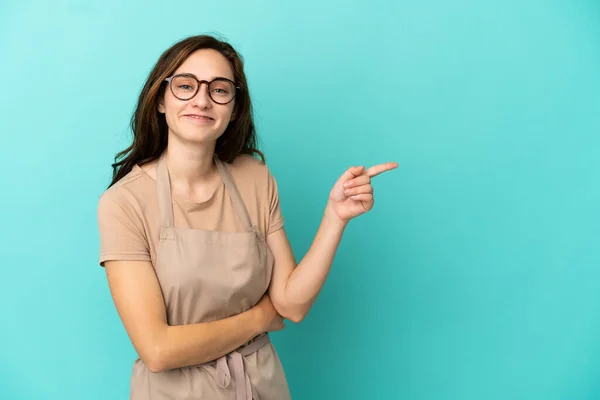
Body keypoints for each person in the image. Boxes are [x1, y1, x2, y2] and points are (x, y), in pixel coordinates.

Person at [97, 34, 397, 400]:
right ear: (161, 99)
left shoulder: (254, 178)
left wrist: (335, 217)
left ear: (235, 108)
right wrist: (257, 319)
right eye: (186, 86)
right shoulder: (124, 202)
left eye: (219, 90)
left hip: (261, 386)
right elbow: (158, 351)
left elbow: (292, 305)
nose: (202, 100)